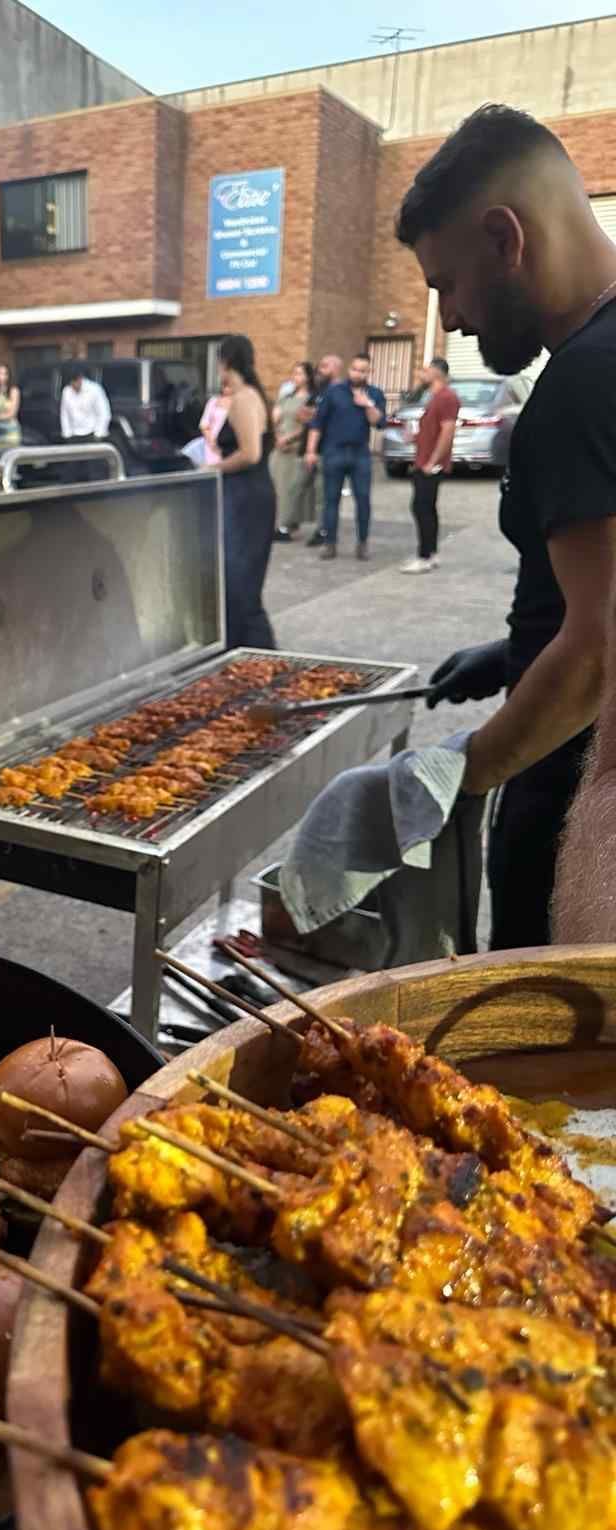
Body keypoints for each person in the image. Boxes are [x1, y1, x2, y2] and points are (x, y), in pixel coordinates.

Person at [395, 104, 616, 951]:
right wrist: (512, 657)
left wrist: (466, 770)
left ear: (504, 237)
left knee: (534, 1065)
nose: (449, 319)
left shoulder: (580, 386)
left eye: (445, 284)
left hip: (572, 817)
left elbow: (597, 653)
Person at [211, 334, 277, 650]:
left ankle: (262, 659)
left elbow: (249, 453)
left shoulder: (243, 399)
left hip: (245, 499)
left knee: (240, 588)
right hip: (252, 495)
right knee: (240, 585)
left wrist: (213, 468)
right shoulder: (254, 396)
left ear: (225, 362)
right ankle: (245, 656)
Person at [305, 353, 385, 561]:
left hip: (360, 454)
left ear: (369, 372)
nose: (357, 373)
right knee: (331, 500)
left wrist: (367, 404)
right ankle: (330, 543)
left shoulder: (374, 394)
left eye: (362, 370)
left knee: (363, 500)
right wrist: (311, 451)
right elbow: (317, 423)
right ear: (349, 369)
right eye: (354, 369)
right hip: (334, 451)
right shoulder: (334, 392)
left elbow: (378, 422)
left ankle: (362, 543)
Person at [401, 358, 459, 575]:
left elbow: (447, 431)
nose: (421, 374)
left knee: (422, 508)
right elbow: (432, 431)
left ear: (436, 372)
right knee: (426, 508)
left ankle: (424, 556)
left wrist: (433, 461)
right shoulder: (434, 398)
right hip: (423, 460)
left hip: (430, 465)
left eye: (425, 370)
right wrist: (414, 437)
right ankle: (431, 553)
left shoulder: (446, 397)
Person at [299, 354, 342, 546]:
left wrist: (317, 416)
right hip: (312, 449)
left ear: (335, 368)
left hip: (329, 450)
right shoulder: (318, 392)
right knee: (307, 491)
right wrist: (315, 416)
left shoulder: (341, 391)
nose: (319, 370)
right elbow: (303, 414)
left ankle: (324, 530)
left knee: (325, 494)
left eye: (324, 366)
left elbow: (333, 418)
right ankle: (295, 524)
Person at [271, 361, 316, 542]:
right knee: (277, 485)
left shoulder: (311, 399)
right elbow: (274, 419)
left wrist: (289, 439)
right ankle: (279, 523)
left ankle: (288, 523)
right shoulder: (285, 397)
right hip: (279, 447)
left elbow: (309, 425)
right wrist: (277, 438)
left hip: (296, 447)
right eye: (294, 373)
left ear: (307, 377)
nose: (295, 377)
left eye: (299, 374)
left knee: (292, 488)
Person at [59, 362, 111, 481]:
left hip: (92, 434)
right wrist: (67, 434)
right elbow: (64, 414)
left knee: (95, 471)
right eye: (71, 383)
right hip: (74, 435)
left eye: (75, 381)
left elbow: (104, 413)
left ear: (80, 378)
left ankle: (98, 496)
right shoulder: (66, 391)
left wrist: (98, 434)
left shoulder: (95, 389)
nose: (74, 385)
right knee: (71, 471)